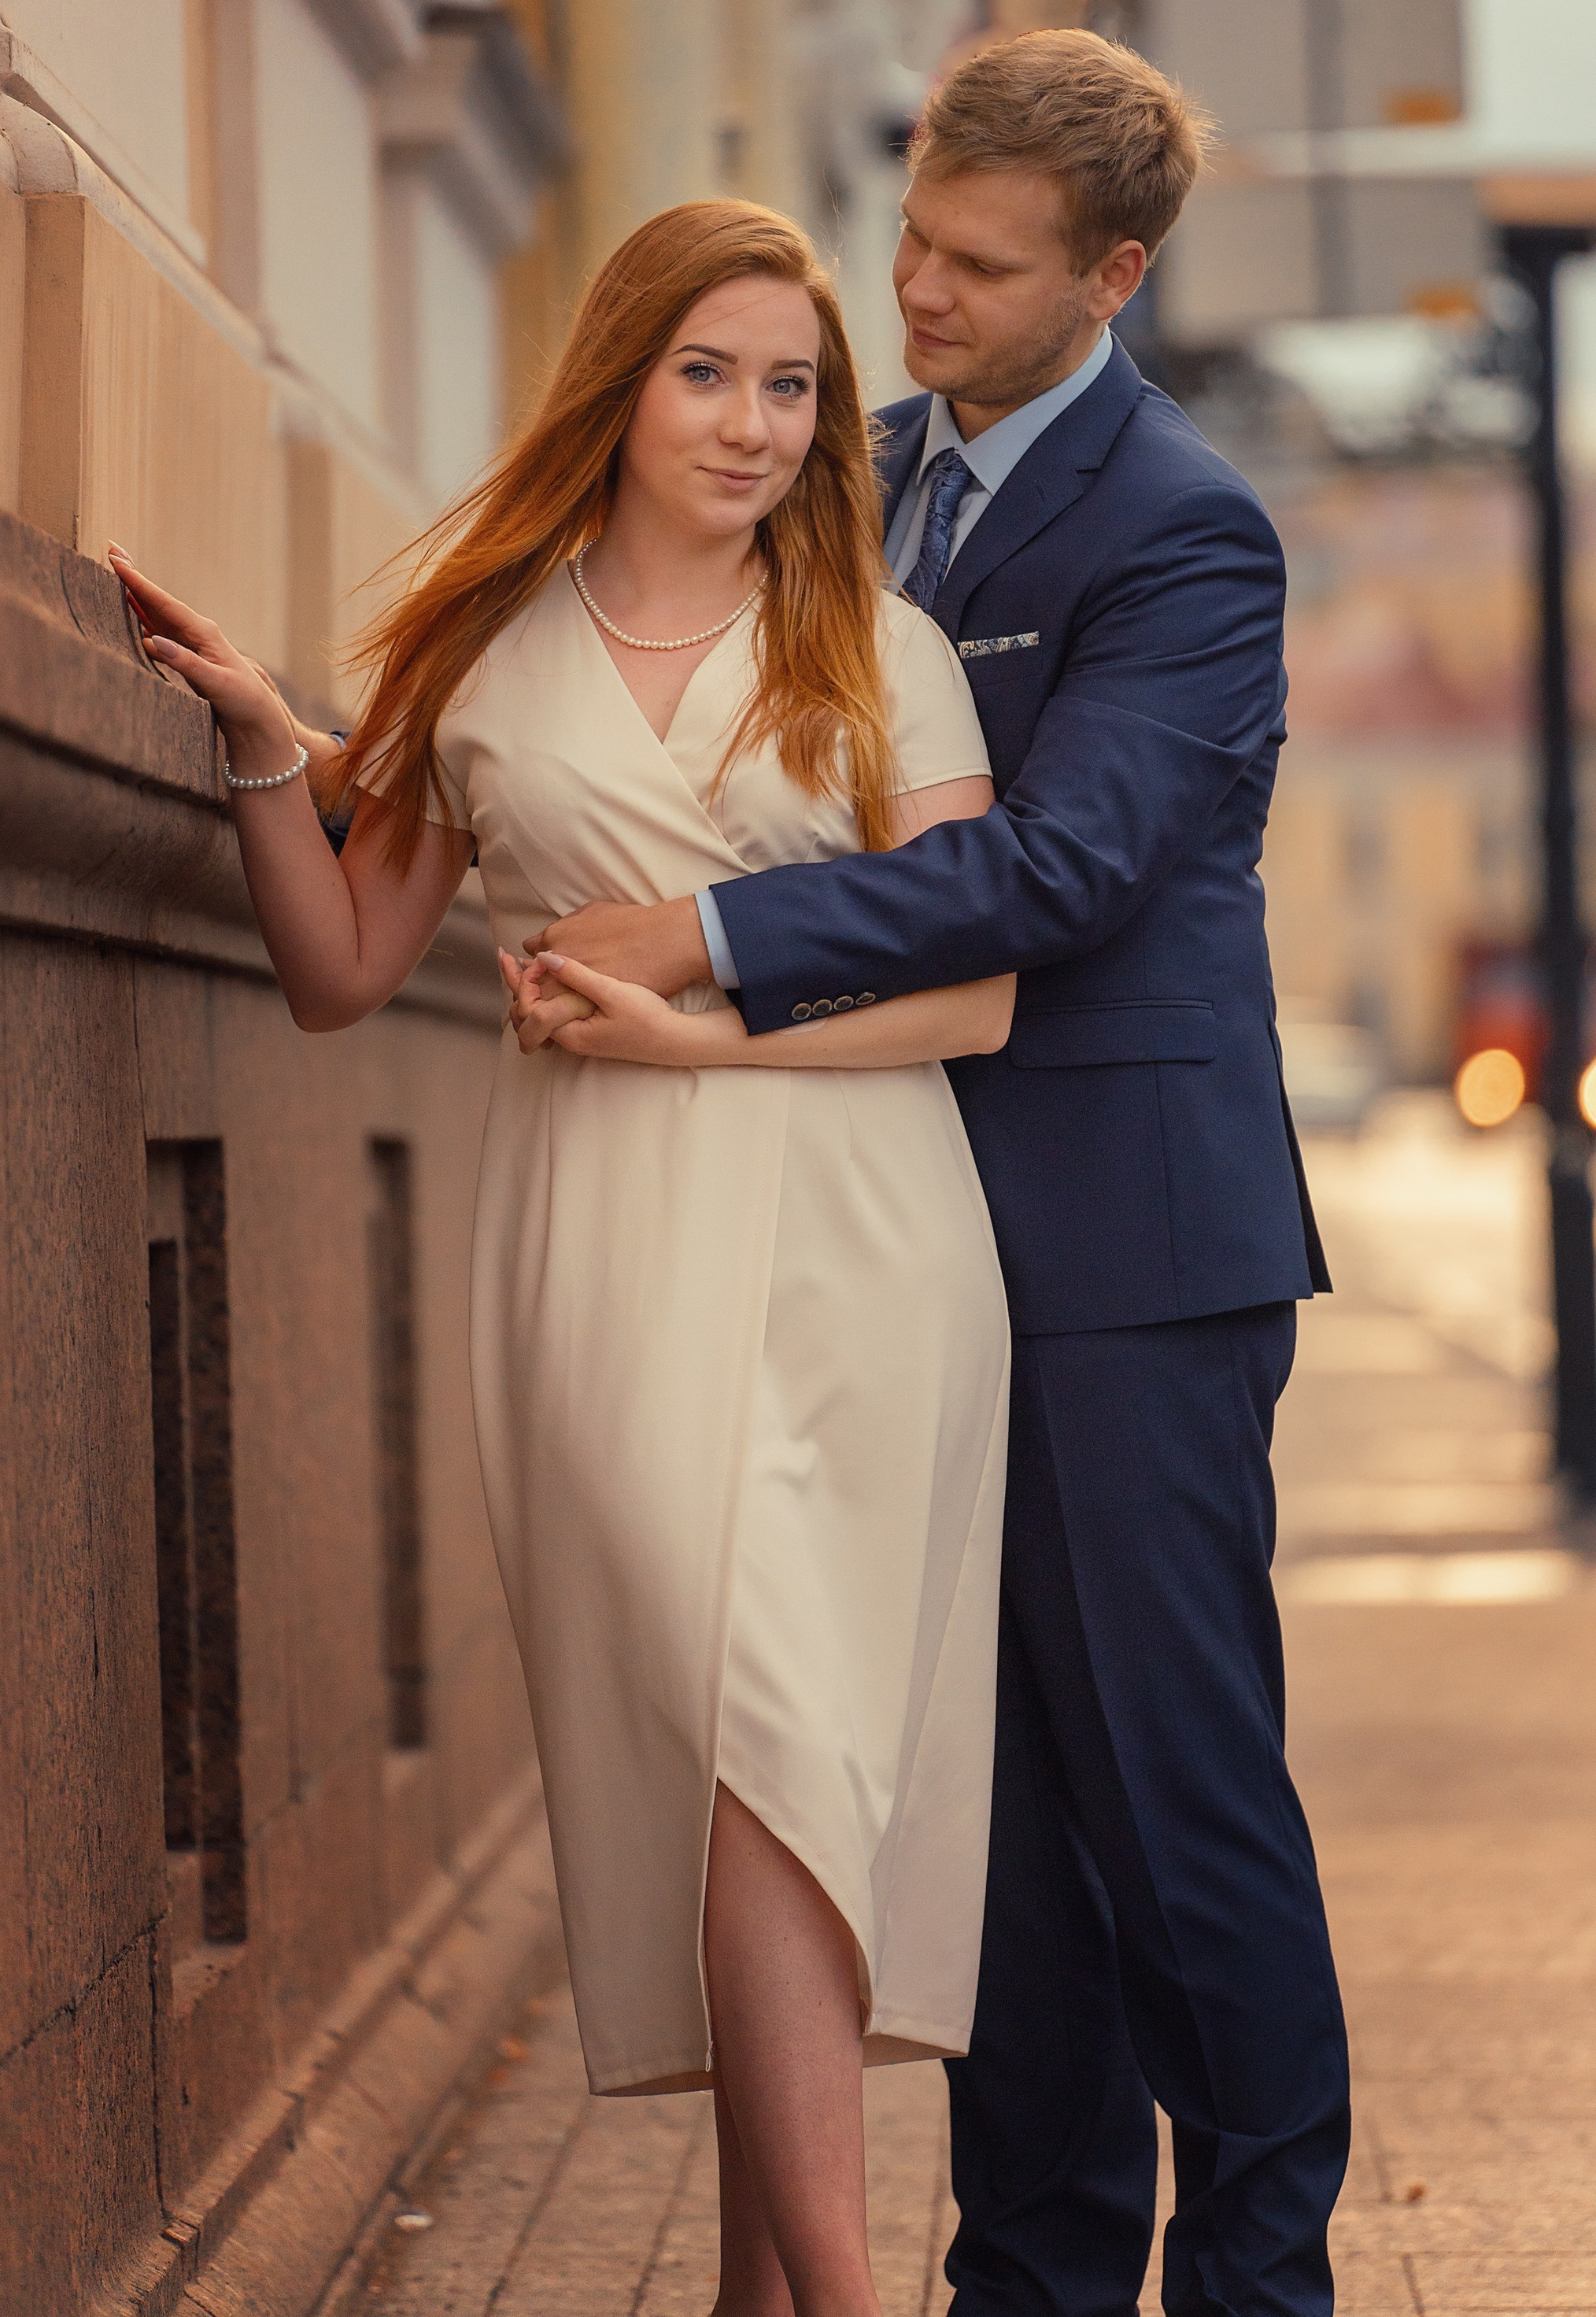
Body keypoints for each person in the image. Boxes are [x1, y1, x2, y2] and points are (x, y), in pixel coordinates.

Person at [109, 200, 1014, 2317]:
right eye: (711, 371)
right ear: (619, 379)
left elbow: (981, 1002)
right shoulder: (482, 648)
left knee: (785, 1767)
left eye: (794, 385)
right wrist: (264, 750)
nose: (756, 423)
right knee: (744, 1731)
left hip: (872, 1242)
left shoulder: (881, 651)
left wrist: (699, 1027)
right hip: (602, 1243)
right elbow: (342, 970)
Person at [512, 33, 1351, 2317]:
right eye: (913, 237)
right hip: (874, 1249)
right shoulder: (851, 480)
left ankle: (1265, 2282)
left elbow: (1066, 869)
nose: (919, 293)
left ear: (1116, 274)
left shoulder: (1185, 528)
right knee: (983, 1840)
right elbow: (633, 681)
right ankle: (1036, 2283)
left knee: (1175, 1815)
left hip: (1121, 1249)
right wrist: (335, 755)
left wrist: (711, 942)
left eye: (981, 266)